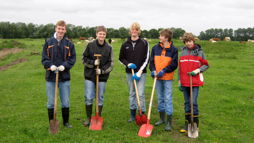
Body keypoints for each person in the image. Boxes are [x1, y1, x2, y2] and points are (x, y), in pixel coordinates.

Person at [41, 20, 76, 128]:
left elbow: (72, 59)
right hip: (51, 77)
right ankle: (52, 123)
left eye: (63, 29)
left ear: (65, 30)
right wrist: (50, 65)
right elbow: (44, 59)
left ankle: (66, 122)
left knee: (65, 101)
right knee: (51, 102)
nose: (61, 31)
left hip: (64, 77)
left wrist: (64, 66)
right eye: (59, 28)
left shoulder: (69, 44)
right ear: (56, 28)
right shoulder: (48, 42)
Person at [82, 26, 114, 126]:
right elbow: (84, 59)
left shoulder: (109, 47)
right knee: (88, 97)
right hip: (89, 75)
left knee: (100, 97)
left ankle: (97, 117)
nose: (102, 36)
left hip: (102, 77)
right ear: (96, 34)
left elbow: (111, 63)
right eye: (100, 34)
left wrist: (102, 71)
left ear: (105, 35)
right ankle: (88, 118)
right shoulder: (90, 45)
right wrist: (93, 62)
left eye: (103, 34)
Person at [178, 32, 209, 133]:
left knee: (193, 102)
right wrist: (179, 81)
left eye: (190, 41)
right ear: (184, 42)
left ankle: (195, 124)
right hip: (184, 82)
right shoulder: (182, 52)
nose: (188, 43)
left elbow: (206, 65)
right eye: (186, 41)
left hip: (194, 82)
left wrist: (197, 70)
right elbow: (180, 68)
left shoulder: (199, 52)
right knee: (187, 103)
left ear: (193, 41)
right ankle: (187, 124)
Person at [119, 22, 149, 122]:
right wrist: (128, 64)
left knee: (140, 94)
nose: (134, 31)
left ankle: (141, 113)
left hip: (141, 73)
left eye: (136, 29)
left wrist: (140, 71)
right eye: (133, 29)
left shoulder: (144, 43)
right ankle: (132, 115)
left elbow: (147, 59)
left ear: (139, 31)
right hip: (129, 73)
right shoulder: (125, 44)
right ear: (130, 31)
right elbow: (121, 58)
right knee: (132, 93)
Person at [149, 29, 178, 131]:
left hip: (167, 78)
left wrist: (164, 71)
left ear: (166, 38)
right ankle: (162, 119)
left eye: (161, 36)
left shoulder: (174, 50)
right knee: (160, 98)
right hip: (157, 78)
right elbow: (151, 62)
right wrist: (153, 70)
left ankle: (169, 123)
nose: (159, 37)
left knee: (168, 98)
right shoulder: (155, 48)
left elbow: (174, 64)